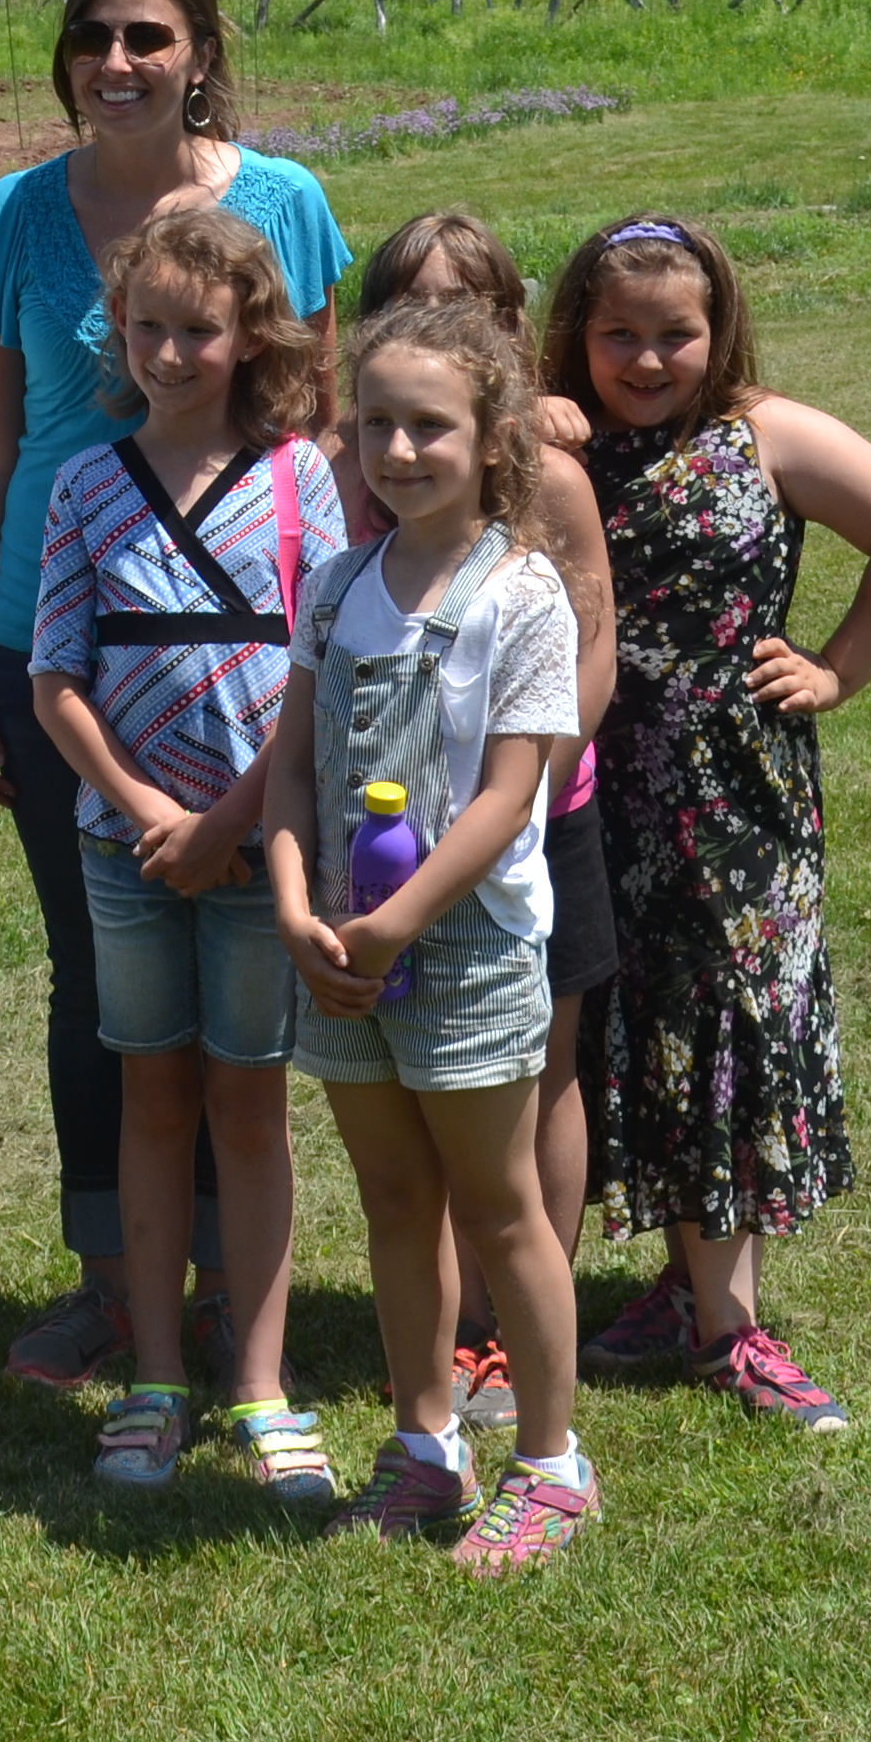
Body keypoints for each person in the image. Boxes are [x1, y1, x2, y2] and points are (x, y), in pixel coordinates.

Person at [0, 0, 350, 1391]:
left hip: (254, 660)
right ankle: (116, 1287)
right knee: (91, 976)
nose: (117, 64)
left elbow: (318, 425)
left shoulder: (287, 203)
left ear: (200, 52)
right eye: (94, 37)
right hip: (58, 646)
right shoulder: (12, 213)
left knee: (247, 983)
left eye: (148, 38)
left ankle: (241, 1304)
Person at [545, 213, 871, 1433]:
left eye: (677, 333)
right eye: (619, 333)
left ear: (719, 328)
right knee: (628, 1023)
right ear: (578, 332)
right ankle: (683, 1286)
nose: (648, 359)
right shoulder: (559, 438)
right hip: (591, 788)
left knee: (723, 1020)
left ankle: (730, 1326)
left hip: (736, 800)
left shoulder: (763, 433)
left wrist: (834, 669)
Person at [263, 301, 591, 1573]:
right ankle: (422, 1442)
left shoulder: (523, 596)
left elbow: (512, 792)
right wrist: (299, 905)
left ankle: (553, 1467)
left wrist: (400, 921)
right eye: (379, 425)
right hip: (343, 945)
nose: (401, 451)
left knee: (500, 1210)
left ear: (491, 434)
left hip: (462, 947)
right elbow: (292, 770)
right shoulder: (339, 584)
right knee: (395, 1200)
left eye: (431, 427)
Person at [26, 203, 345, 1501]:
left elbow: (321, 676)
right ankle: (156, 1375)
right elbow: (56, 680)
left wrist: (229, 824)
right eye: (147, 328)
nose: (168, 354)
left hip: (259, 853)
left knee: (250, 1110)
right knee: (151, 1105)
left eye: (197, 332)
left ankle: (260, 1384)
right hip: (129, 857)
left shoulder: (301, 480)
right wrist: (145, 808)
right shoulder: (87, 485)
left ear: (249, 333)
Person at [342, 208, 619, 1433]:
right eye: (409, 307)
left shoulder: (547, 479)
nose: (436, 330)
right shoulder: (364, 463)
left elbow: (590, 635)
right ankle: (439, 1367)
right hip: (379, 841)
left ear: (508, 338)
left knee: (532, 1083)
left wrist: (538, 770)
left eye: (466, 309)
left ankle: (515, 1344)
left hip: (530, 819)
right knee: (405, 1149)